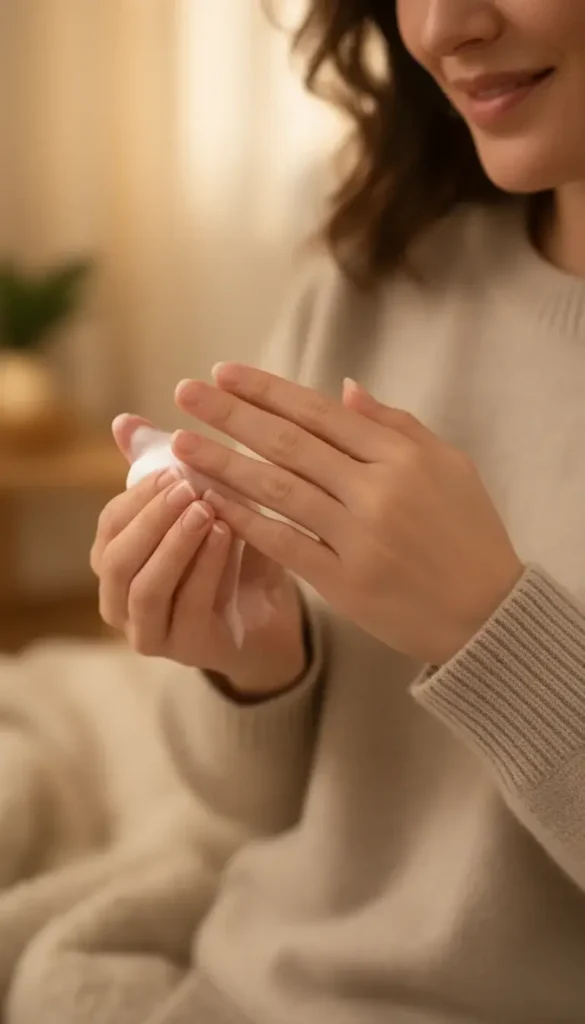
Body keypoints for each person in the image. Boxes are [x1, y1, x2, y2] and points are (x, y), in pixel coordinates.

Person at [91, 2, 585, 1022]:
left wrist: (490, 628)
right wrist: (253, 666)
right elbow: (253, 815)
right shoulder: (370, 277)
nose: (443, 25)